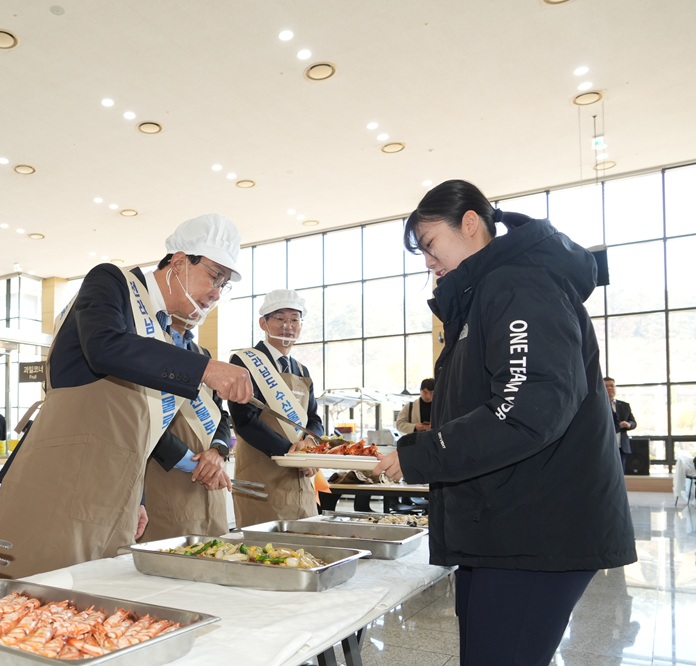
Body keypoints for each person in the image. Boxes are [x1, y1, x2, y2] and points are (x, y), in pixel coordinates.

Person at [372, 179, 636, 666]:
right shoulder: (487, 293)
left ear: (469, 223)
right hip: (504, 524)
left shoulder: (519, 284)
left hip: (537, 529)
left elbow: (528, 409)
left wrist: (422, 456)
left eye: (430, 245)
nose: (428, 263)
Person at [0, 214, 253, 579]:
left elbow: (139, 428)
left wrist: (136, 498)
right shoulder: (112, 283)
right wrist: (206, 369)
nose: (217, 292)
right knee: (29, 597)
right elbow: (104, 347)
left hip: (116, 493)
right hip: (59, 481)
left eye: (225, 285)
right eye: (215, 276)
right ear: (181, 261)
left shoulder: (168, 337)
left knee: (96, 605)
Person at [228, 289, 324, 528]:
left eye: (294, 319)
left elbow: (314, 420)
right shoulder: (244, 361)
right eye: (279, 318)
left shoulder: (302, 370)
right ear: (264, 323)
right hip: (261, 471)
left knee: (304, 543)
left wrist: (310, 445)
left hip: (300, 476)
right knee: (264, 549)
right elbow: (245, 420)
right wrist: (292, 454)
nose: (287, 325)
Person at [140, 314, 232, 542]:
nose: (212, 294)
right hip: (165, 475)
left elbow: (220, 413)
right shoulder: (145, 345)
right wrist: (193, 462)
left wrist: (218, 452)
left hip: (211, 481)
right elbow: (139, 416)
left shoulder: (202, 355)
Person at [604, 377, 637, 472]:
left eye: (611, 386)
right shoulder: (598, 406)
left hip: (621, 446)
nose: (609, 388)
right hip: (605, 445)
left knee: (620, 472)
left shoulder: (624, 405)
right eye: (606, 386)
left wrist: (629, 424)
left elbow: (634, 422)